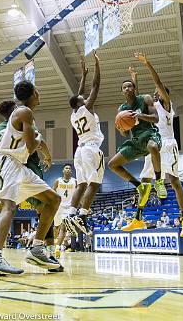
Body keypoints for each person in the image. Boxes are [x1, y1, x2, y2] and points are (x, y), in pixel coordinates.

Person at [0, 81, 61, 276]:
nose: (39, 94)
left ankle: (36, 248)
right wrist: (39, 140)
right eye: (38, 92)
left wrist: (42, 147)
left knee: (53, 199)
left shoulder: (22, 115)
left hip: (19, 165)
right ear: (33, 94)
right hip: (8, 163)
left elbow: (31, 143)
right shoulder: (24, 112)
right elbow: (31, 145)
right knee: (8, 207)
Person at [131, 53, 183, 237]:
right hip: (154, 144)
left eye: (159, 92)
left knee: (174, 181)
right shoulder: (151, 107)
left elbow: (158, 82)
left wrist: (147, 64)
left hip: (167, 144)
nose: (156, 93)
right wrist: (135, 79)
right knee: (145, 182)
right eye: (156, 92)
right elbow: (140, 99)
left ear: (164, 94)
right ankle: (138, 218)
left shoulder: (166, 105)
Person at [108, 62, 167, 232]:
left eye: (129, 86)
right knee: (112, 164)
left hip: (149, 134)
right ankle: (138, 186)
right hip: (134, 141)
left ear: (134, 88)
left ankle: (159, 181)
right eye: (124, 88)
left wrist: (140, 116)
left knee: (153, 147)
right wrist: (122, 129)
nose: (127, 89)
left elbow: (156, 119)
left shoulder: (145, 98)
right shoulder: (122, 109)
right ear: (122, 92)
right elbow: (126, 134)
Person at [64, 51, 104, 235]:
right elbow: (95, 86)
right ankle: (82, 216)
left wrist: (84, 75)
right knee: (94, 184)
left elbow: (78, 95)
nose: (86, 98)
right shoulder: (87, 109)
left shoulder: (74, 114)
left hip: (79, 151)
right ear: (81, 104)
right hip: (91, 149)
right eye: (84, 99)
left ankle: (71, 213)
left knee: (81, 185)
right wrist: (96, 65)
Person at [53, 163, 77, 255]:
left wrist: (84, 206)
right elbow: (53, 192)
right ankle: (53, 245)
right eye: (66, 168)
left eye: (69, 168)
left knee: (63, 227)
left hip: (69, 207)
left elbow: (79, 194)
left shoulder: (74, 181)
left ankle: (57, 248)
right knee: (56, 227)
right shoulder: (58, 181)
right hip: (59, 206)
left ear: (71, 171)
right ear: (63, 171)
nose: (67, 169)